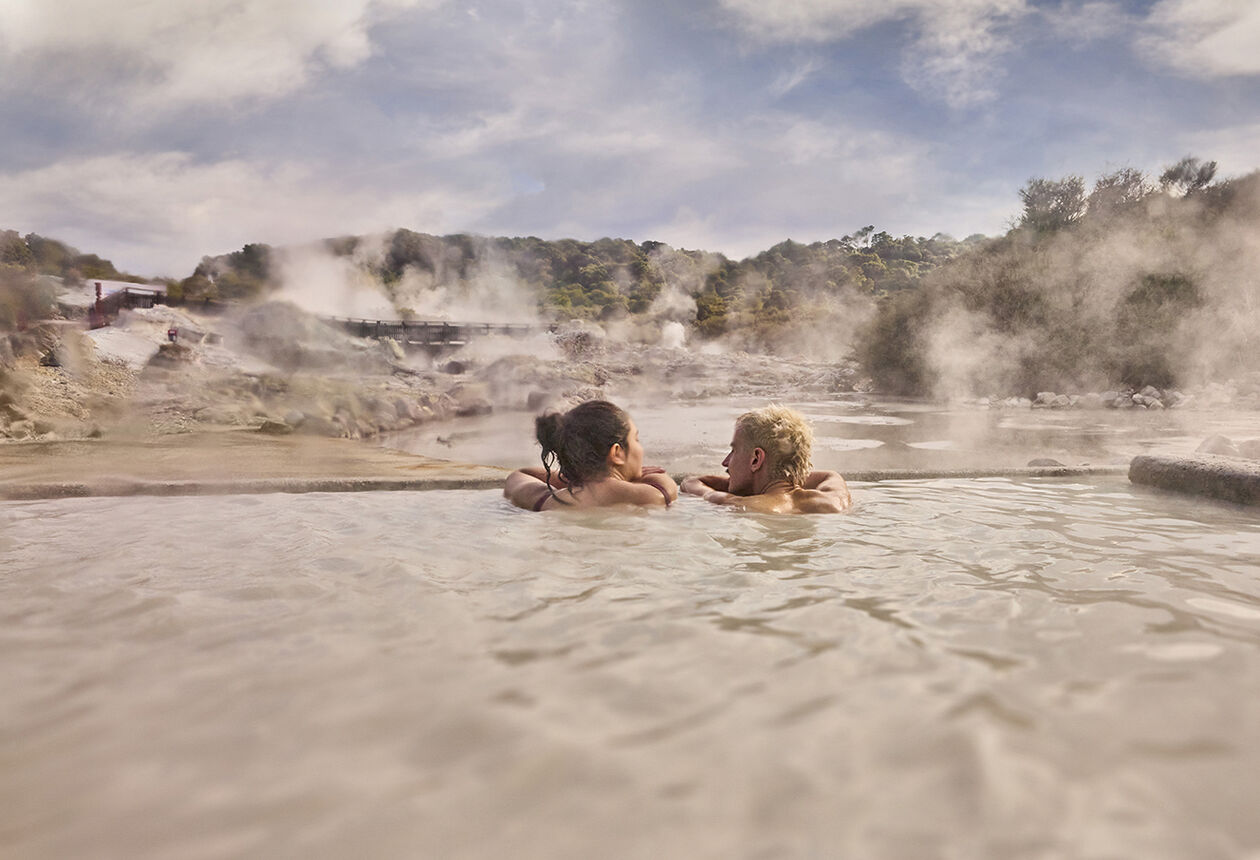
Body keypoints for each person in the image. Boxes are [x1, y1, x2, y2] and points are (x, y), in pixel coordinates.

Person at [504, 400, 678, 511]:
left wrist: (575, 477)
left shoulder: (549, 502)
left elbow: (519, 475)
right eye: (636, 439)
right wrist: (654, 477)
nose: (640, 448)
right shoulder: (646, 495)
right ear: (617, 453)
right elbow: (666, 491)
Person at [682, 405, 851, 513]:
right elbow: (830, 475)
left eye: (733, 451)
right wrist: (778, 473)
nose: (725, 462)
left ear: (756, 459)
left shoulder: (739, 505)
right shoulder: (834, 501)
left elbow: (691, 483)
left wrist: (735, 483)